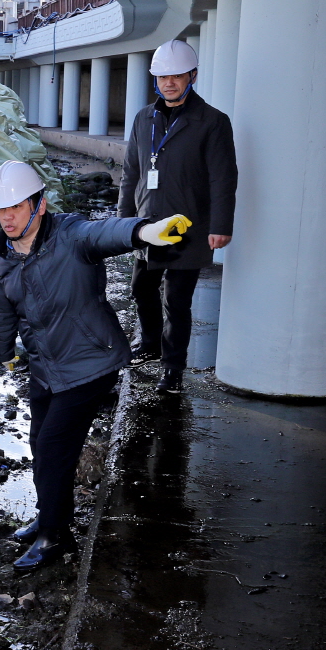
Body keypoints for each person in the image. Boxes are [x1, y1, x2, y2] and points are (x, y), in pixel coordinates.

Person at [0, 160, 192, 570]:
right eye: (0, 209)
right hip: (46, 366)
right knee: (39, 444)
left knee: (53, 447)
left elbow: (104, 233)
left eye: (15, 207)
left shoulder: (70, 235)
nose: (6, 216)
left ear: (39, 204)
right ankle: (49, 516)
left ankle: (55, 537)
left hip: (89, 363)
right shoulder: (0, 256)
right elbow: (0, 312)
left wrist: (144, 230)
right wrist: (3, 352)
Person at [118, 39, 238, 393]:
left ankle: (172, 367)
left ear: (193, 76)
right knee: (141, 288)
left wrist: (220, 226)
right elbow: (131, 172)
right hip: (148, 225)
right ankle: (151, 342)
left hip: (191, 226)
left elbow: (223, 176)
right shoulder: (143, 118)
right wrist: (122, 222)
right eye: (162, 77)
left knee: (177, 301)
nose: (169, 82)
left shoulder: (213, 122)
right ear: (155, 80)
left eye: (177, 76)